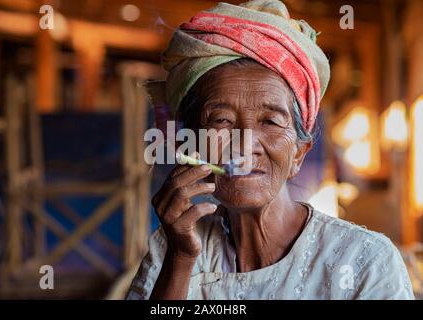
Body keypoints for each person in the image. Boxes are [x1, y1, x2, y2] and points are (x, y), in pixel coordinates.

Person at [126, 0, 414, 300]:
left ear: (299, 154)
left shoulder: (365, 262)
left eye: (271, 121)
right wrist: (181, 259)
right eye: (221, 119)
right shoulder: (173, 246)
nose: (245, 144)